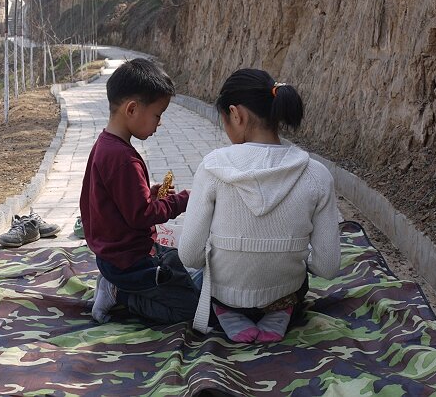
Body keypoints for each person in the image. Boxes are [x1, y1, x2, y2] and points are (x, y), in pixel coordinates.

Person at [178, 68, 341, 343]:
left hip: (225, 293)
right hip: (285, 290)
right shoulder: (316, 174)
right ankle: (281, 311)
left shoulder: (213, 168)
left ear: (236, 114)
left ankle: (226, 312)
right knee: (292, 281)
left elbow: (189, 255)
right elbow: (328, 267)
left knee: (187, 273)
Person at [80, 58, 200, 325]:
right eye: (158, 114)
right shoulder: (124, 159)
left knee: (182, 271)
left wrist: (151, 194)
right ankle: (120, 292)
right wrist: (182, 201)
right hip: (129, 261)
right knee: (191, 310)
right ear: (132, 109)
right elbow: (141, 215)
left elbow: (120, 201)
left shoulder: (105, 145)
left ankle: (116, 282)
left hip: (112, 254)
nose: (159, 123)